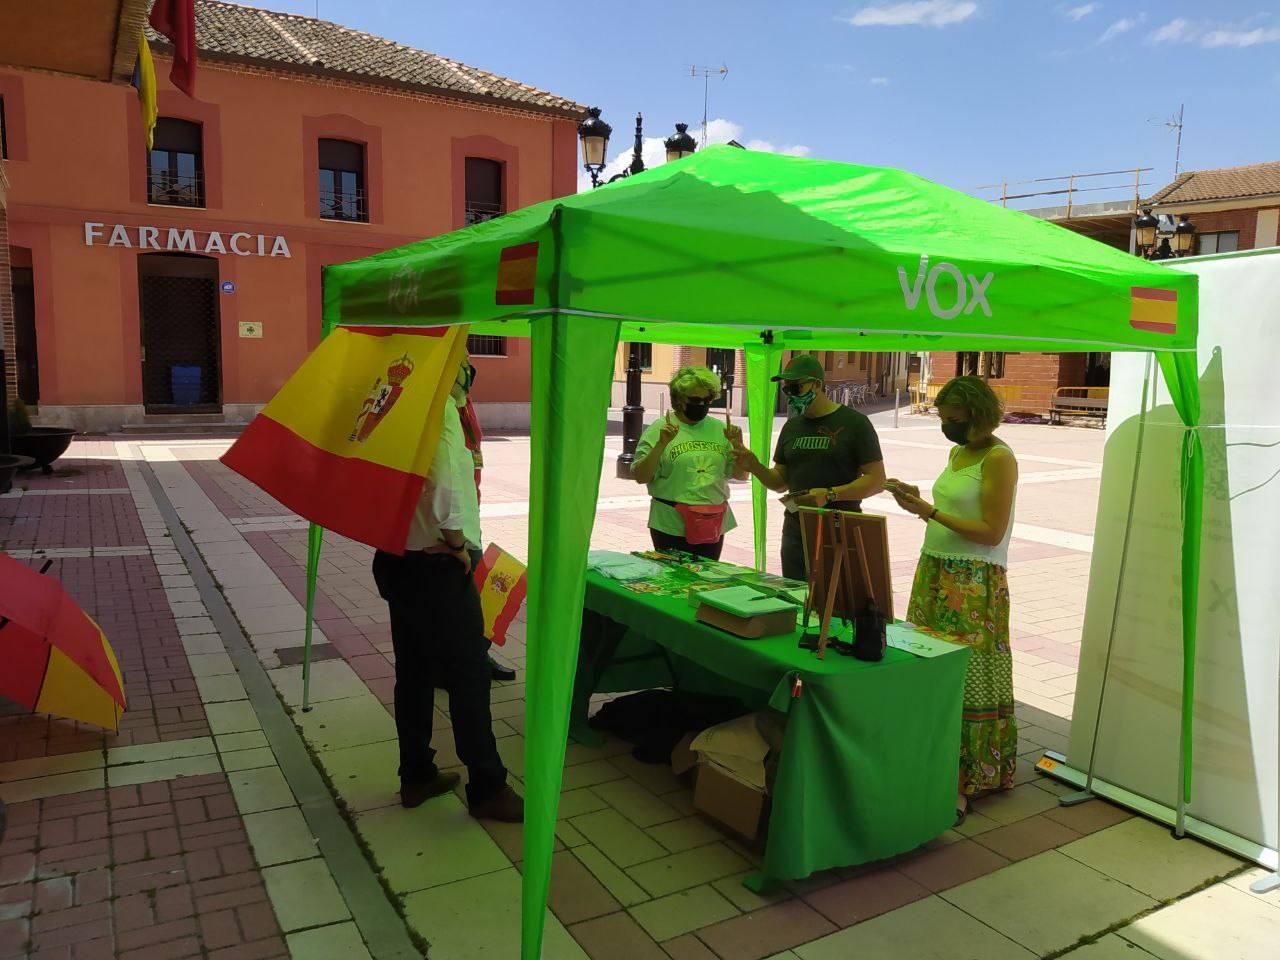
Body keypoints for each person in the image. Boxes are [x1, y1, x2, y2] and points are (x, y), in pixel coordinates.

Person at [370, 356, 522, 820]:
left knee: (414, 672)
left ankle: (416, 773)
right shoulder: (439, 413)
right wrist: (458, 544)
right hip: (438, 563)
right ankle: (487, 786)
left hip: (399, 557)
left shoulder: (399, 407)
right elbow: (445, 489)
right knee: (469, 676)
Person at [886, 375, 1019, 823]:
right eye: (943, 419)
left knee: (967, 673)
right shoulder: (958, 451)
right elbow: (952, 512)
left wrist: (930, 512)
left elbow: (991, 532)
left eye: (954, 420)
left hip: (973, 581)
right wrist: (918, 502)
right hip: (936, 569)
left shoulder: (1000, 458)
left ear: (979, 418)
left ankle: (965, 779)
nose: (947, 427)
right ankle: (933, 759)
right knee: (930, 663)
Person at [732, 354, 886, 579]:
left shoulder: (855, 424)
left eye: (796, 388)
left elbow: (876, 480)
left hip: (839, 528)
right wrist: (755, 466)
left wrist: (830, 495)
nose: (790, 395)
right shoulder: (792, 427)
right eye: (786, 389)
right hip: (797, 529)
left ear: (817, 384)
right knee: (795, 597)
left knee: (835, 603)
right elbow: (780, 483)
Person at [631, 365, 745, 560]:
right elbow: (641, 476)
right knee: (674, 582)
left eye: (707, 400)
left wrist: (740, 448)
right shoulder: (660, 429)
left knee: (706, 581)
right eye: (694, 400)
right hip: (671, 523)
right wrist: (661, 444)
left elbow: (741, 475)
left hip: (712, 522)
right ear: (679, 399)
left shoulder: (721, 429)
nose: (701, 404)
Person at [455, 361, 518, 683]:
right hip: (454, 527)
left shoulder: (464, 406)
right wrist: (455, 537)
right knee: (476, 597)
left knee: (481, 593)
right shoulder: (444, 412)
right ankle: (471, 661)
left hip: (469, 510)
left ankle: (473, 656)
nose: (468, 370)